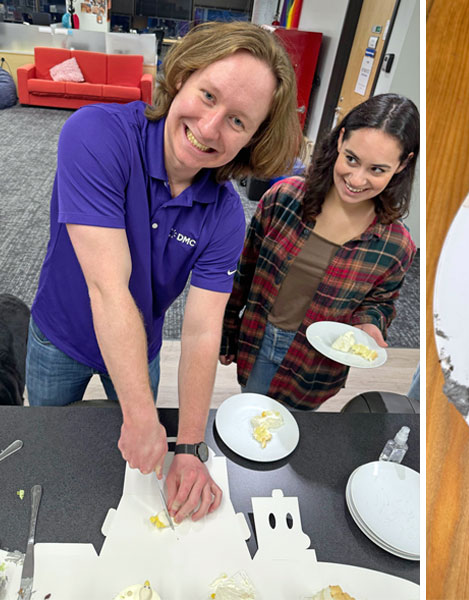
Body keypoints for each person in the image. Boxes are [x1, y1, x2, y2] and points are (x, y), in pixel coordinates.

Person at [26, 21, 299, 523]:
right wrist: (140, 416)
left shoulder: (222, 216)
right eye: (208, 95)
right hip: (58, 334)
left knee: (139, 470)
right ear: (180, 79)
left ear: (253, 139)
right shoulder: (96, 136)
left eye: (238, 121)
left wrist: (191, 449)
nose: (211, 128)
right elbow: (108, 289)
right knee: (43, 448)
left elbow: (199, 333)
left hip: (138, 346)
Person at [220, 94, 418, 409]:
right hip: (259, 338)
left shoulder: (396, 245)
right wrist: (227, 330)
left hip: (315, 366)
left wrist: (370, 325)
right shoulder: (283, 199)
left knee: (300, 435)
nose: (356, 179)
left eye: (377, 170)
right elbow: (243, 271)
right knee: (253, 415)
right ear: (340, 139)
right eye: (351, 159)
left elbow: (379, 302)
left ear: (402, 165)